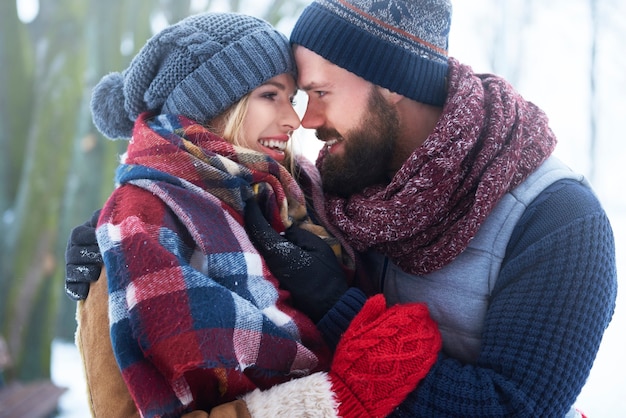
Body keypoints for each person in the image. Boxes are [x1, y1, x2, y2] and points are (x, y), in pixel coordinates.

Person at [67, 1, 617, 416]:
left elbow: (513, 408)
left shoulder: (560, 221)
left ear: (393, 82)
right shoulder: (340, 181)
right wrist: (125, 228)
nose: (305, 121)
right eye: (290, 97)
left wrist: (338, 305)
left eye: (319, 92)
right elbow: (223, 193)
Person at [65, 10, 441, 418]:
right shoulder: (141, 219)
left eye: (292, 97)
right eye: (270, 95)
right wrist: (332, 400)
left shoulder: (299, 192)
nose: (295, 120)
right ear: (212, 103)